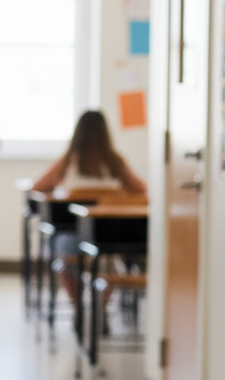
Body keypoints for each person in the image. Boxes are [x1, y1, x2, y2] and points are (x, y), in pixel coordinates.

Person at [33, 109, 147, 301]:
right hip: (106, 239)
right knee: (110, 263)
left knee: (62, 258)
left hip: (71, 237)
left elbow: (37, 187)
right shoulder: (115, 163)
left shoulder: (69, 161)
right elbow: (141, 189)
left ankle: (78, 308)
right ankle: (99, 310)